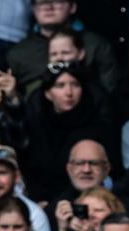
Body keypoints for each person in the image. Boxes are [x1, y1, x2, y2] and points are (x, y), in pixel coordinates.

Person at [22, 63, 116, 203]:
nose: (69, 92)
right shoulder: (36, 123)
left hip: (89, 198)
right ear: (48, 93)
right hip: (43, 201)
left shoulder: (97, 126)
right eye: (60, 86)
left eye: (75, 85)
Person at [6, 0, 119, 95]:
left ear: (72, 7)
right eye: (41, 2)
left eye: (57, 1)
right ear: (33, 9)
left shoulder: (96, 45)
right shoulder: (18, 53)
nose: (48, 7)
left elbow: (110, 90)